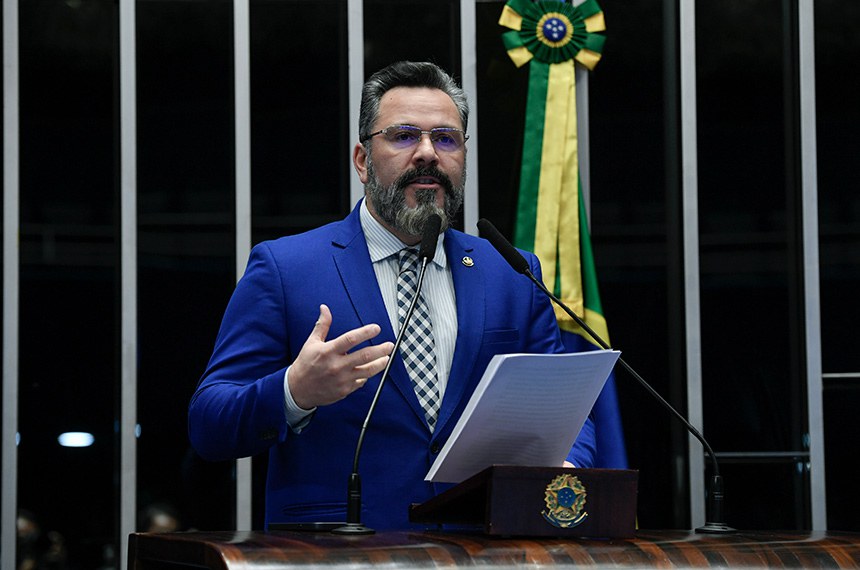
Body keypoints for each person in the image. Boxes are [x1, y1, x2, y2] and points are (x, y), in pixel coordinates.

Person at [188, 61, 597, 531]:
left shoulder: (509, 271)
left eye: (445, 139)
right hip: (338, 552)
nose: (427, 153)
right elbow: (209, 424)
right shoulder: (286, 269)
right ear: (362, 160)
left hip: (484, 547)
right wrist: (293, 392)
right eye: (404, 135)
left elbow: (565, 409)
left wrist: (565, 463)